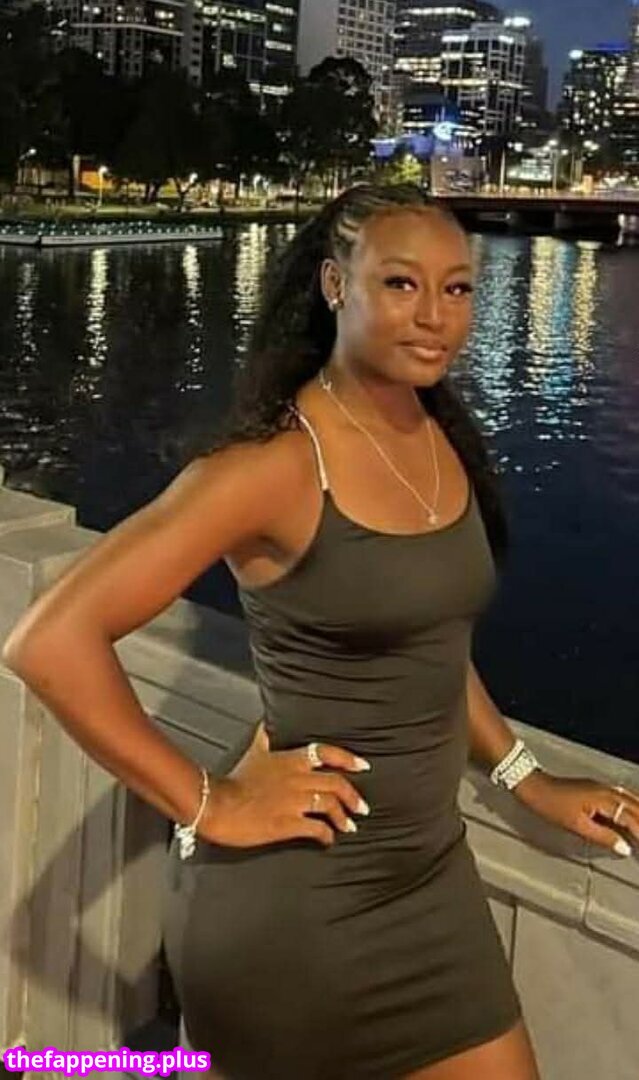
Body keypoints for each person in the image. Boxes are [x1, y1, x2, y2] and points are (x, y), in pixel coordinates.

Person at [4, 183, 638, 1080]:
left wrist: (524, 777)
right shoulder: (272, 467)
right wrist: (211, 802)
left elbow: (430, 646)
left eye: (457, 288)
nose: (435, 316)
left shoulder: (436, 434)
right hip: (300, 910)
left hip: (431, 886)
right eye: (401, 284)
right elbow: (49, 641)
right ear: (336, 285)